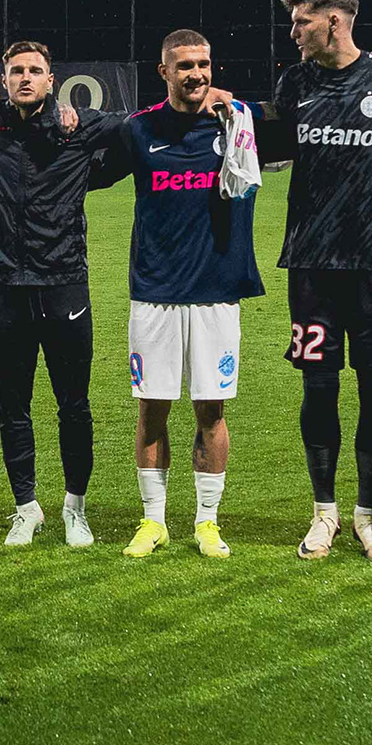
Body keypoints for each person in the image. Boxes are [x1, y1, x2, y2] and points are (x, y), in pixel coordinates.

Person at [259, 0, 372, 561]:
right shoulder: (293, 81)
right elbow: (271, 148)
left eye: (302, 20)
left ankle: (368, 516)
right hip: (310, 263)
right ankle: (324, 513)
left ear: (335, 19)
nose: (293, 31)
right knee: (319, 388)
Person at [93, 29, 262, 556]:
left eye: (204, 64)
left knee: (211, 410)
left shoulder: (238, 122)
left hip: (216, 293)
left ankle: (207, 522)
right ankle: (153, 521)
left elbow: (305, 114)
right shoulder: (139, 130)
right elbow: (89, 173)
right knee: (152, 408)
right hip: (155, 293)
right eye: (185, 66)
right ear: (163, 71)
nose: (197, 75)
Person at [0, 42, 117, 546]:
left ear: (50, 79)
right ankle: (26, 507)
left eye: (34, 71)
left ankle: (75, 508)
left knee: (74, 404)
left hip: (64, 283)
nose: (24, 77)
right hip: (2, 285)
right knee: (11, 405)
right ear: (3, 77)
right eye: (16, 70)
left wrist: (88, 176)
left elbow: (139, 131)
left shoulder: (77, 124)